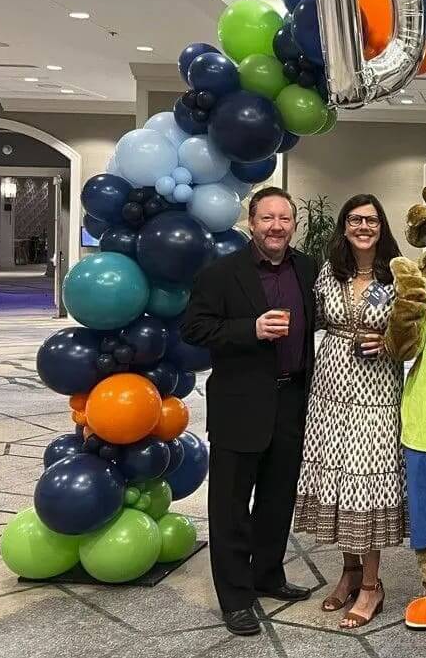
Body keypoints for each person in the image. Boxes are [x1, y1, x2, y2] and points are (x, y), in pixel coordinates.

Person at [182, 187, 317, 637]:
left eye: (284, 218)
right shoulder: (221, 273)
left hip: (293, 399)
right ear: (251, 224)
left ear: (293, 224)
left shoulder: (307, 269)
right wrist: (250, 329)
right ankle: (236, 597)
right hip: (239, 403)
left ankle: (268, 575)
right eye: (267, 218)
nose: (276, 226)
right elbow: (195, 328)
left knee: (278, 500)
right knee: (231, 505)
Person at [292, 194, 404, 629]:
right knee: (337, 479)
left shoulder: (397, 274)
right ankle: (349, 572)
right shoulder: (327, 272)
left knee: (367, 483)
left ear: (382, 226)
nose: (363, 226)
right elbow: (312, 320)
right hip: (331, 387)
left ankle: (373, 586)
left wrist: (389, 343)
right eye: (355, 219)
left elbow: (415, 331)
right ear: (344, 226)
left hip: (377, 389)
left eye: (371, 220)